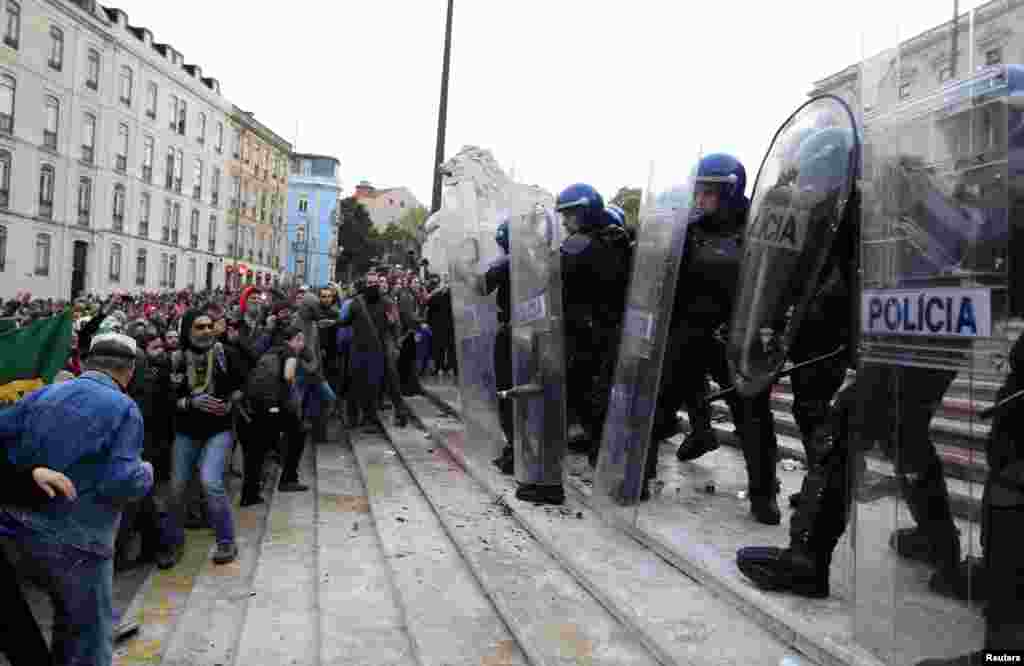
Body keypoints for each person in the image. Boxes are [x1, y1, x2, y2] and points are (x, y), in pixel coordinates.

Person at [0, 333, 153, 666]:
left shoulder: (44, 394)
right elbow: (121, 482)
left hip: (20, 532)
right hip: (80, 544)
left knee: (64, 622)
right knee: (88, 641)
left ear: (86, 364)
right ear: (129, 371)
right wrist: (146, 471)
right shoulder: (124, 409)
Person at [159, 308, 244, 569]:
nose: (207, 331)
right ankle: (173, 543)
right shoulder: (173, 360)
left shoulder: (225, 354)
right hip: (186, 432)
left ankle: (226, 540)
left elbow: (242, 385)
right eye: (200, 327)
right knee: (176, 488)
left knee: (210, 482)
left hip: (218, 430)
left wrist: (230, 403)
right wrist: (190, 402)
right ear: (188, 330)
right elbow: (164, 399)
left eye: (209, 326)